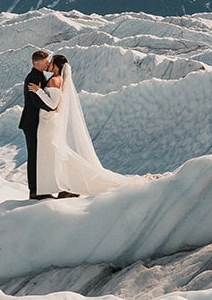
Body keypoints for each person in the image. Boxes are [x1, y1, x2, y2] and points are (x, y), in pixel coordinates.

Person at [33, 53, 138, 198]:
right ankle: (65, 185)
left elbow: (54, 106)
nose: (48, 64)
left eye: (51, 62)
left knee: (56, 153)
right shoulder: (55, 79)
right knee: (53, 154)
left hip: (48, 122)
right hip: (47, 121)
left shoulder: (55, 80)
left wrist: (38, 91)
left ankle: (72, 183)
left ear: (57, 65)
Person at [19, 49, 55, 199]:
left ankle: (39, 189)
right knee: (34, 156)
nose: (48, 63)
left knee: (38, 155)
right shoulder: (34, 77)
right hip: (31, 122)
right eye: (46, 61)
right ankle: (35, 191)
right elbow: (36, 100)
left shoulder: (39, 75)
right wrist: (52, 106)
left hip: (34, 122)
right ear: (37, 63)